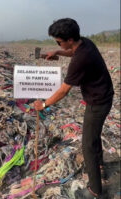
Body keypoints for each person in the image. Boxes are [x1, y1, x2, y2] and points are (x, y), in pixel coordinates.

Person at [34, 18, 114, 198]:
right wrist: (58, 52)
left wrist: (44, 104)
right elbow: (72, 52)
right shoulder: (85, 42)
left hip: (98, 102)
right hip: (103, 96)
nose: (57, 44)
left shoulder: (80, 60)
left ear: (70, 40)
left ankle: (95, 190)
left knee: (87, 145)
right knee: (94, 136)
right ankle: (100, 165)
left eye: (59, 42)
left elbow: (63, 91)